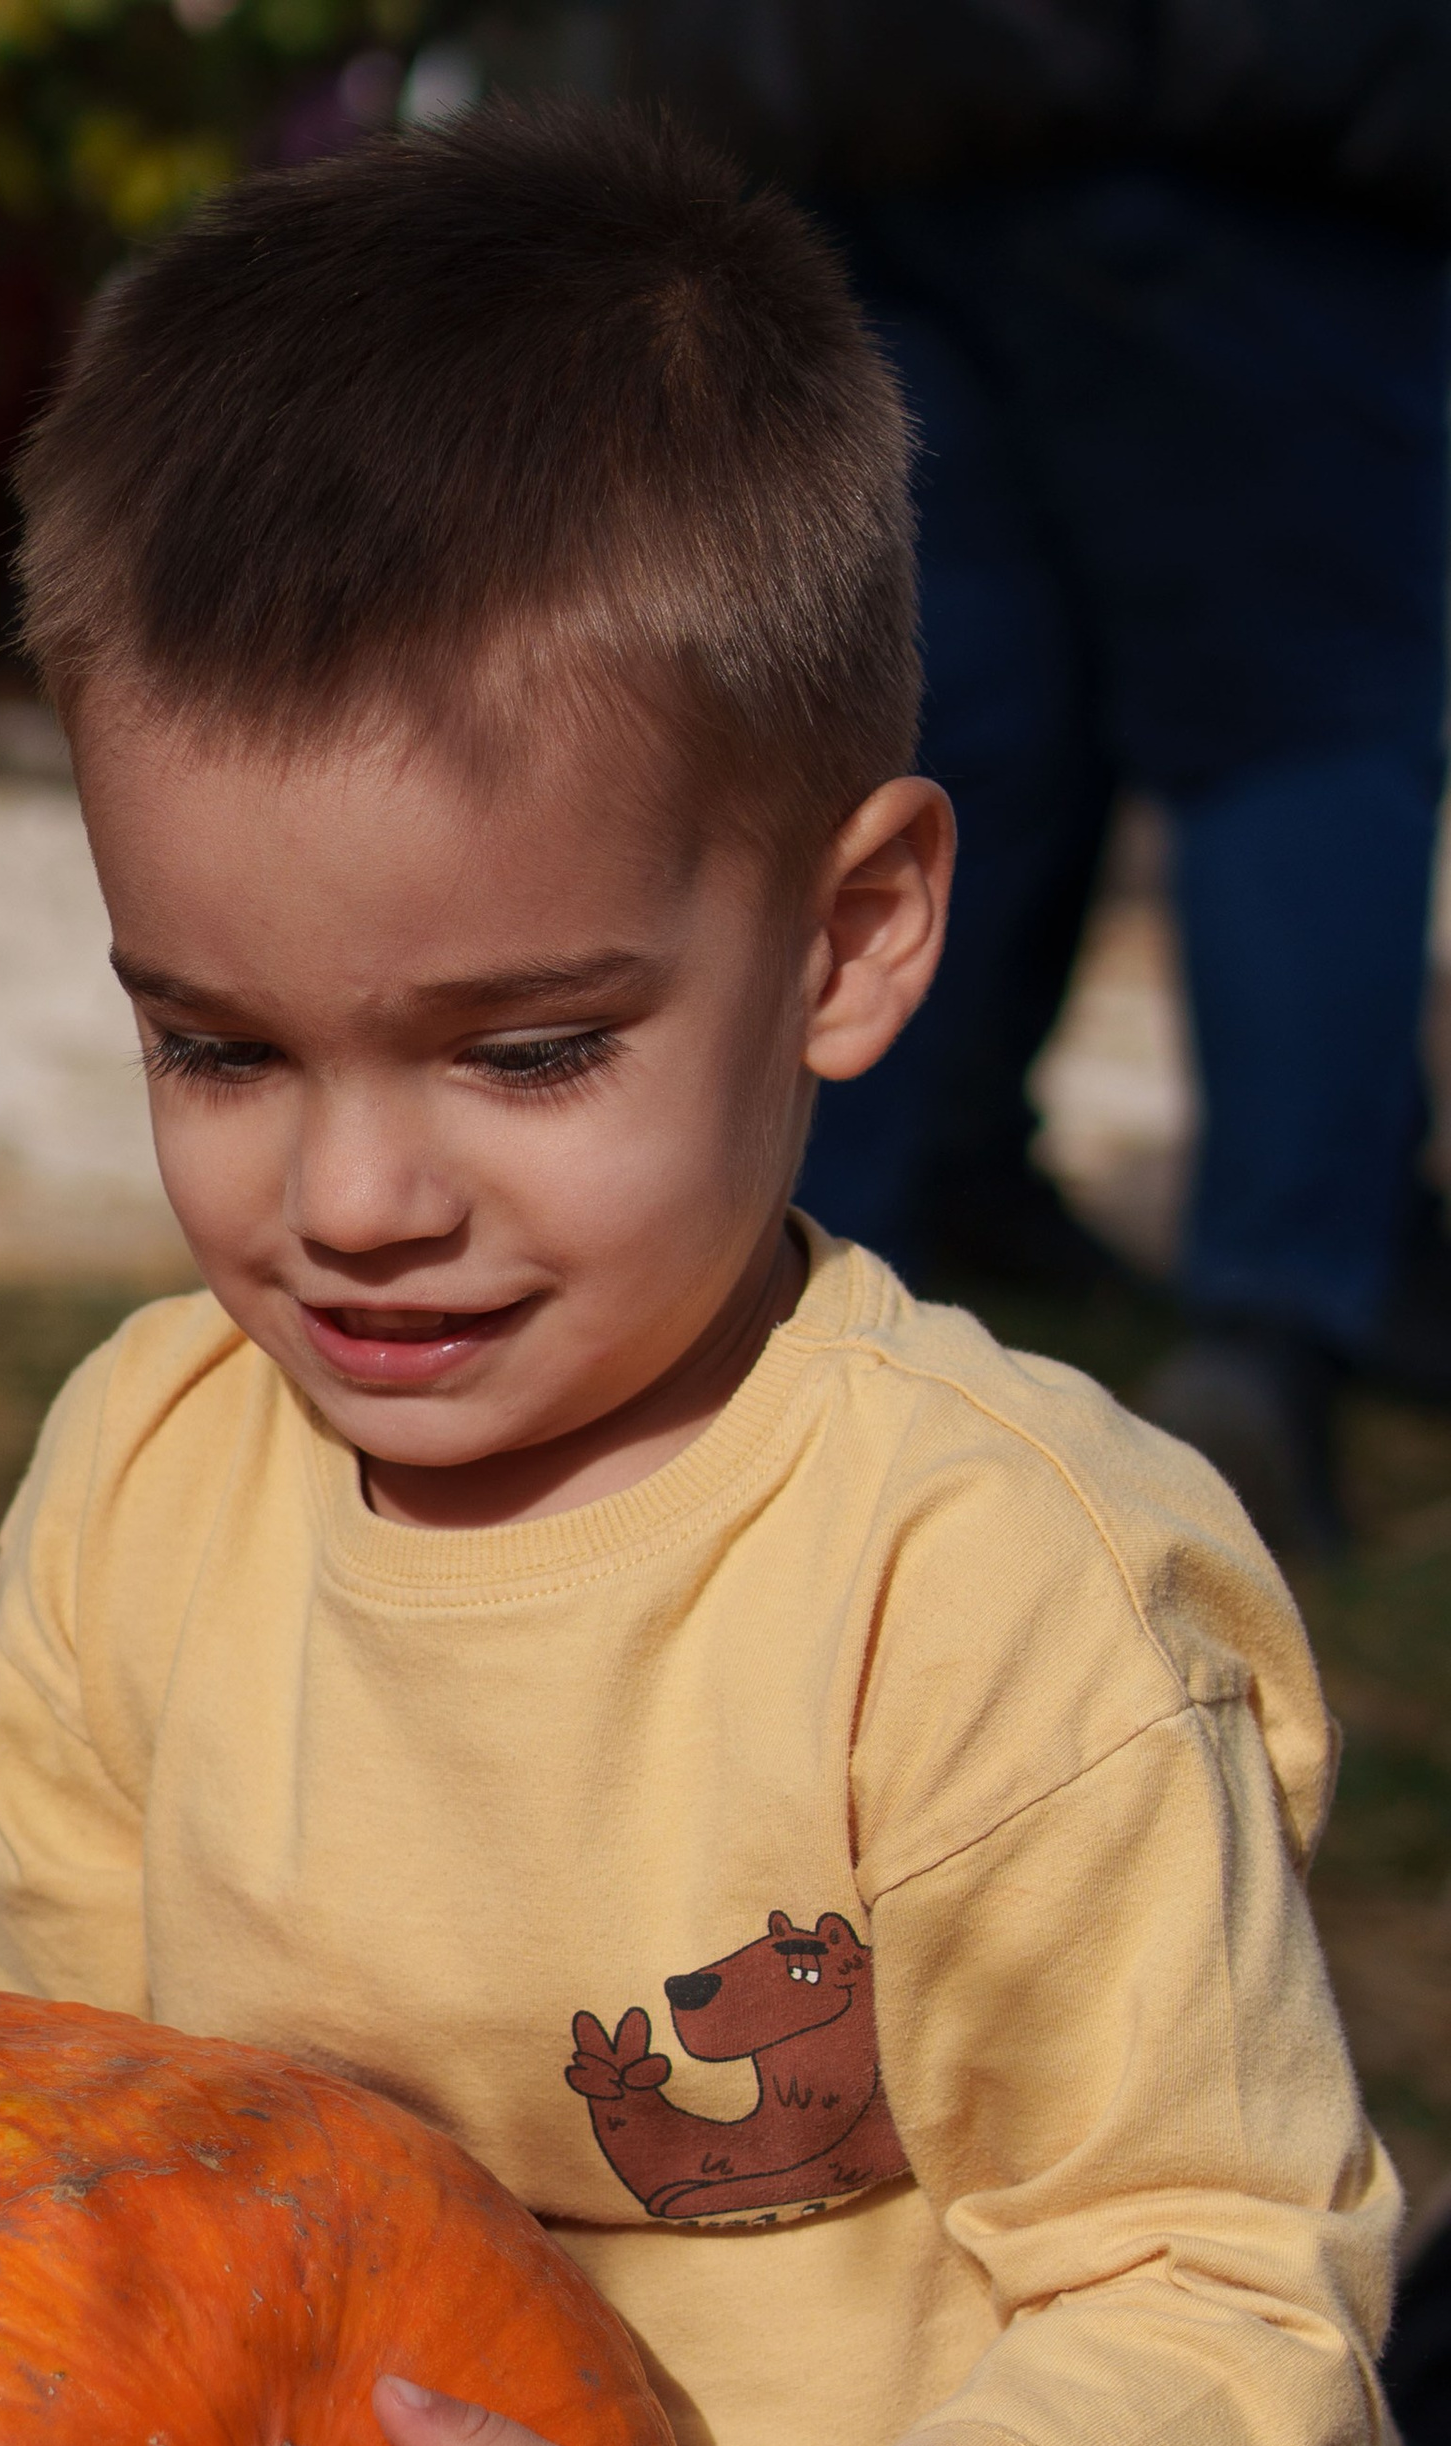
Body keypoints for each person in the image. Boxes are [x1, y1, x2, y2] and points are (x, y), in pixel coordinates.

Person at [0, 107, 1451, 2446]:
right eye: (215, 1043)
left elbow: (1230, 2323)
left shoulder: (980, 1582)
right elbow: (65, 2201)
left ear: (855, 942)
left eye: (516, 1049)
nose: (354, 1200)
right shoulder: (145, 1500)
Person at [612, 0, 1451, 1557]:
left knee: (939, 707)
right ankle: (1270, 1324)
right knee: (1303, 716)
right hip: (1222, 101)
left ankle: (820, 1272)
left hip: (837, 89)